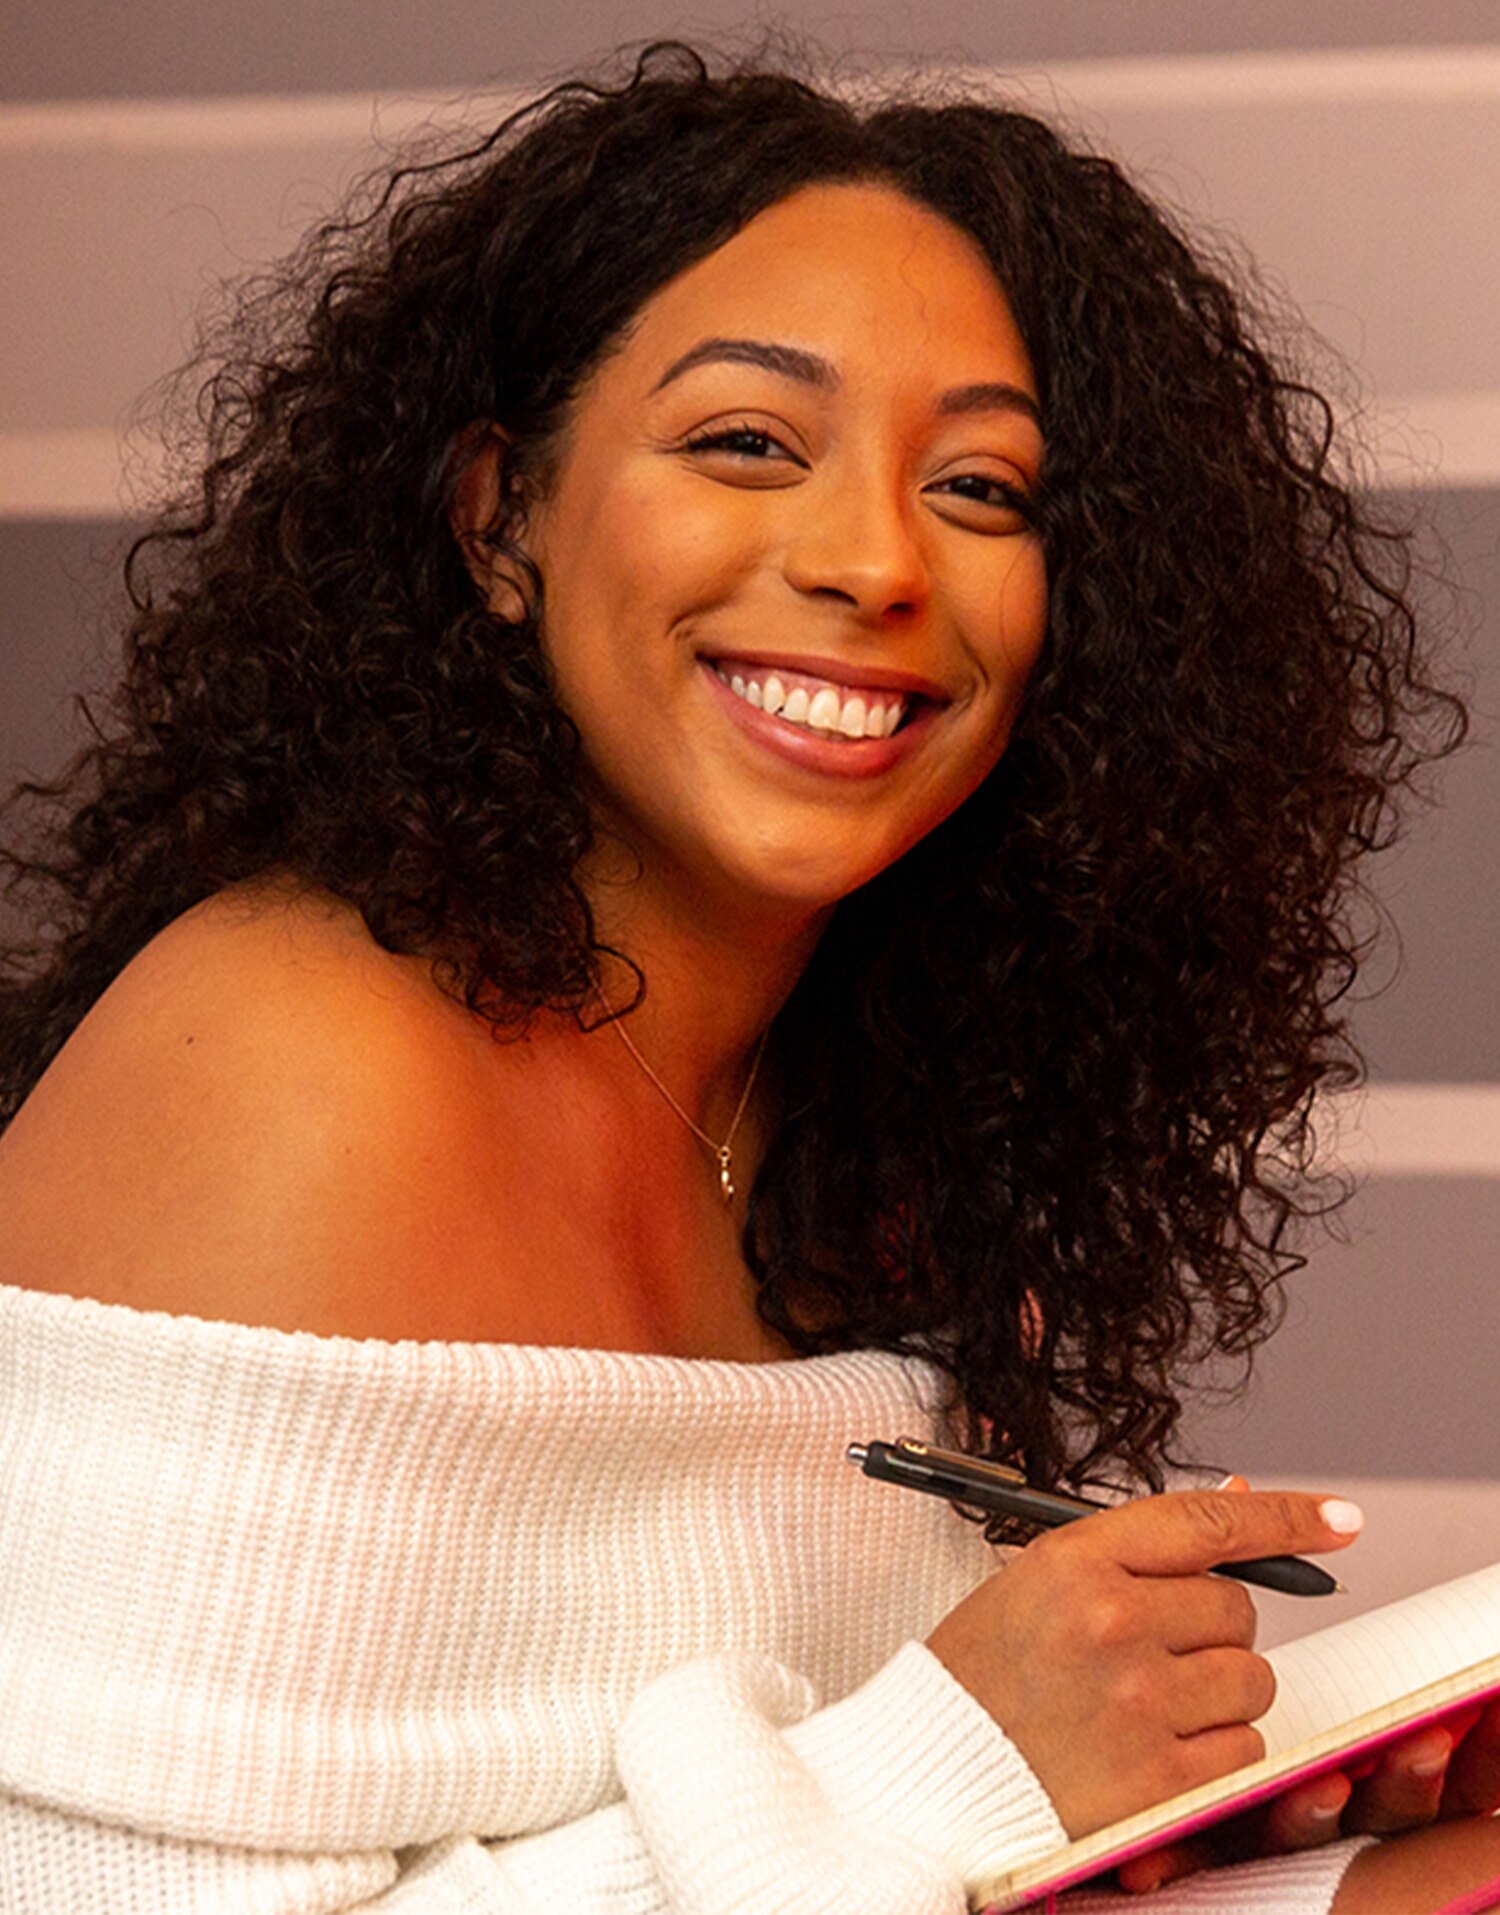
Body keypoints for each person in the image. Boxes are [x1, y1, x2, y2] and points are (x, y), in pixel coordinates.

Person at [0, 39, 1496, 1914]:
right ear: (499, 522)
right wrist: (962, 1756)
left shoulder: (878, 1127)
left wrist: (1280, 1813)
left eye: (979, 488)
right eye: (745, 446)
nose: (873, 559)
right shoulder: (293, 1062)